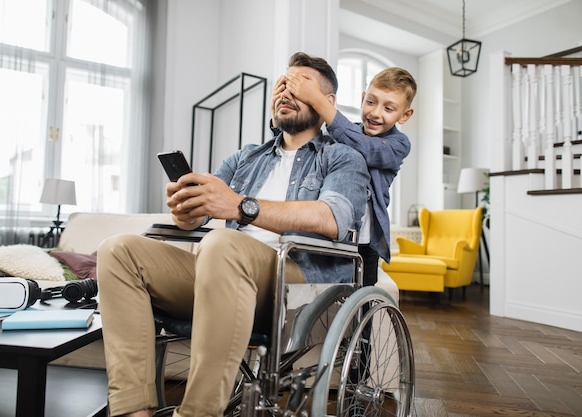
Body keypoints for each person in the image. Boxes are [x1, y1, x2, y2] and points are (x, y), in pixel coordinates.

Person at [97, 51, 370, 417]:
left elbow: (332, 217)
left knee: (224, 243)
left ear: (327, 102)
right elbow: (202, 213)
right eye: (281, 85)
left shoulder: (342, 157)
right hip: (221, 274)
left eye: (299, 86)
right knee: (118, 250)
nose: (285, 93)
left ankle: (198, 413)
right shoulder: (246, 157)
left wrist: (242, 206)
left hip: (295, 282)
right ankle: (133, 411)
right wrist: (186, 209)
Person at [272, 66, 416, 286]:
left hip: (366, 240)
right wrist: (278, 120)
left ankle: (363, 320)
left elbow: (366, 149)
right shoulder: (346, 131)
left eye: (389, 108)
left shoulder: (399, 145)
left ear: (404, 115)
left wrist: (318, 100)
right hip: (337, 233)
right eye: (371, 102)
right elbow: (310, 145)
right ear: (362, 99)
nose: (376, 113)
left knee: (362, 296)